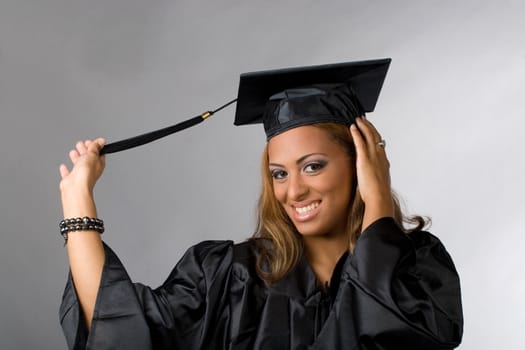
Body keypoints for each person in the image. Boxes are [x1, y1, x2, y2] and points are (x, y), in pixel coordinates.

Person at [58, 59, 463, 349]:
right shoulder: (230, 274)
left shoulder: (420, 267)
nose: (294, 191)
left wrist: (377, 202)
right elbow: (123, 322)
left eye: (313, 166)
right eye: (280, 173)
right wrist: (79, 204)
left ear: (361, 165)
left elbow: (393, 333)